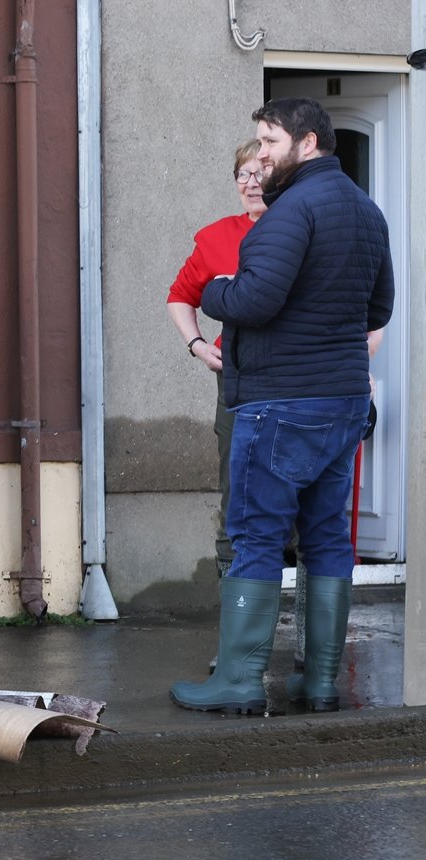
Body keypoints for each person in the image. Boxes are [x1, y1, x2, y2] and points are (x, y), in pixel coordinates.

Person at [170, 98, 393, 714]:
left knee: (256, 536)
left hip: (279, 405)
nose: (260, 154)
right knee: (326, 539)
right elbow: (378, 310)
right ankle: (319, 682)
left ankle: (239, 681)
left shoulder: (290, 211)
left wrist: (215, 290)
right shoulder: (366, 211)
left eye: (269, 141)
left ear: (309, 142)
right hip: (343, 401)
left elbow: (252, 301)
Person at [166, 138, 266, 580]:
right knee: (235, 480)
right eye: (243, 174)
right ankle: (237, 621)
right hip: (235, 378)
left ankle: (307, 629)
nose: (252, 182)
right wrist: (197, 345)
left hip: (295, 378)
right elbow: (178, 297)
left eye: (261, 173)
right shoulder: (216, 238)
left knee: (301, 492)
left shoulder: (301, 228)